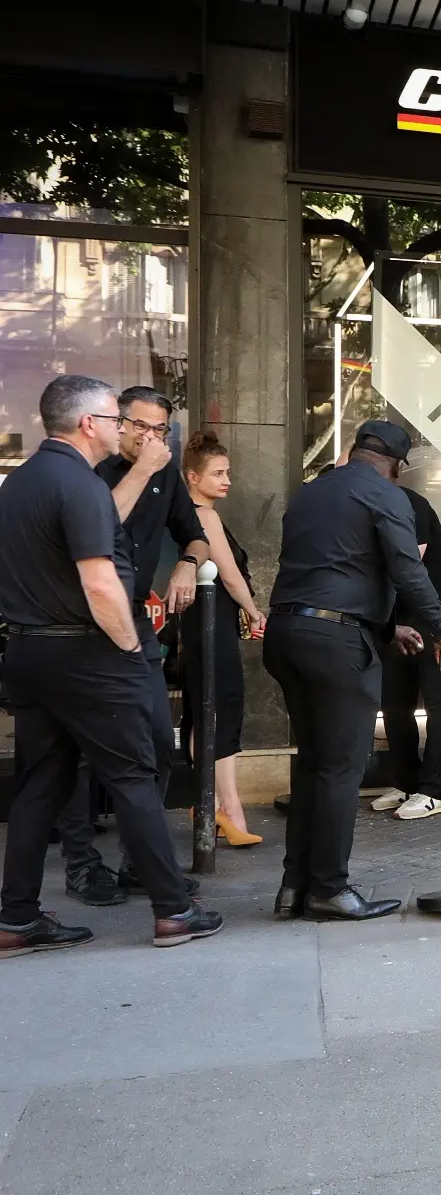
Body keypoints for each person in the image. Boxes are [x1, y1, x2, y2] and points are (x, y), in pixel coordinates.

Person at [0, 375, 221, 956]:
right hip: (89, 650)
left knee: (37, 785)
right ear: (89, 424)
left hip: (29, 648)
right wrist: (128, 649)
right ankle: (173, 910)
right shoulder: (80, 485)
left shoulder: (18, 483)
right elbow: (100, 583)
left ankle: (16, 917)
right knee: (134, 775)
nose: (125, 430)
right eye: (116, 419)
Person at [265, 420, 441, 922]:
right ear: (398, 465)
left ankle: (295, 886)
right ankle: (329, 888)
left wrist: (385, 628)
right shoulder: (386, 495)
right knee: (340, 768)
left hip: (288, 633)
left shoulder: (311, 494)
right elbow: (408, 571)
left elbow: (333, 571)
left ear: (354, 451)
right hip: (335, 644)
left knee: (313, 763)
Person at [56, 385, 215, 906]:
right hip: (84, 626)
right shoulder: (89, 472)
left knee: (153, 738)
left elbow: (195, 533)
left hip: (137, 627)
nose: (151, 439)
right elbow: (98, 527)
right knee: (80, 753)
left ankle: (139, 862)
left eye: (160, 430)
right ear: (114, 422)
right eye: (141, 427)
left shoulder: (165, 474)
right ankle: (82, 864)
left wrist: (188, 565)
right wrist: (144, 468)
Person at [179, 431, 268, 847]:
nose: (227, 480)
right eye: (217, 473)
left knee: (205, 711)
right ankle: (227, 807)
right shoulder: (204, 516)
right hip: (210, 621)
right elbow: (230, 575)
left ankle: (211, 805)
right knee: (220, 710)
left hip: (199, 623)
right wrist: (253, 611)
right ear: (192, 477)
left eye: (228, 472)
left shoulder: (189, 514)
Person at [367, 484, 441, 822]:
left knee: (439, 701)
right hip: (396, 613)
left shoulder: (411, 504)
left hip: (434, 606)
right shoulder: (363, 504)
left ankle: (434, 791)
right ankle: (406, 783)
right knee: (395, 703)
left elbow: (410, 565)